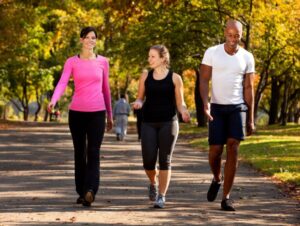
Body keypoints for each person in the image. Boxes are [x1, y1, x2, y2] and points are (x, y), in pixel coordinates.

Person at [47, 26, 113, 207]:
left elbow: (106, 90)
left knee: (94, 152)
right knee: (79, 152)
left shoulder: (103, 62)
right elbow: (62, 82)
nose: (92, 40)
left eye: (94, 38)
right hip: (76, 113)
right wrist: (54, 100)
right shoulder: (71, 62)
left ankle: (90, 190)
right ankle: (81, 191)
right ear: (81, 39)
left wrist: (110, 114)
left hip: (97, 113)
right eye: (88, 37)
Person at [200, 19, 255, 211]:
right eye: (230, 35)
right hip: (216, 107)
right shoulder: (212, 52)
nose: (233, 39)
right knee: (215, 151)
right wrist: (206, 105)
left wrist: (250, 118)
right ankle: (217, 178)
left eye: (237, 36)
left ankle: (226, 197)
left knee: (233, 147)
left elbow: (249, 88)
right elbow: (204, 80)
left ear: (241, 36)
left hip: (237, 107)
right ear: (225, 33)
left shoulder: (247, 57)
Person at [132, 45, 190, 208]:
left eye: (152, 57)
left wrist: (184, 112)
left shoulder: (175, 78)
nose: (149, 59)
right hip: (148, 123)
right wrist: (138, 102)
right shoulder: (145, 76)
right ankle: (153, 182)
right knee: (148, 161)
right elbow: (140, 98)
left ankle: (161, 196)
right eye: (149, 56)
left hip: (168, 123)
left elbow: (180, 102)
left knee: (165, 160)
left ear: (163, 59)